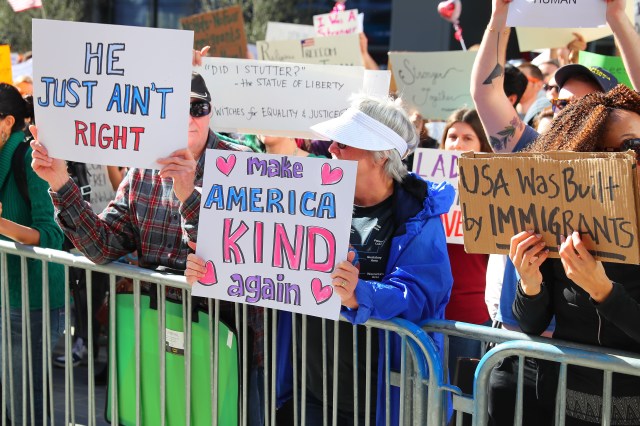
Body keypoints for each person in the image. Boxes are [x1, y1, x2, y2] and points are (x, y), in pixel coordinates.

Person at [186, 94, 455, 426]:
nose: (331, 150)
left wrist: (361, 294)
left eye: (344, 144)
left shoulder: (419, 217)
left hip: (382, 400)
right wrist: (215, 265)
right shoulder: (309, 198)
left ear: (381, 156)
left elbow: (421, 295)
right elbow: (263, 258)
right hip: (309, 391)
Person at [30, 71, 266, 424]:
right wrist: (60, 182)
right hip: (154, 339)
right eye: (177, 107)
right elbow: (102, 245)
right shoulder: (143, 168)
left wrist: (188, 193)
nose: (188, 116)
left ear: (211, 112)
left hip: (226, 344)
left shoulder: (245, 164)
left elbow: (246, 252)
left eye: (198, 107)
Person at [506, 84, 640, 425]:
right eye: (629, 146)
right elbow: (532, 324)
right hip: (567, 405)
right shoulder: (560, 224)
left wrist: (605, 293)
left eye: (637, 144)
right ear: (586, 150)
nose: (633, 156)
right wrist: (530, 283)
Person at [0, 83, 65, 425]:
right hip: (5, 296)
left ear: (6, 122)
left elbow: (52, 236)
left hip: (31, 302)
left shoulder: (31, 157)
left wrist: (1, 224)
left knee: (25, 406)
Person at [440, 109, 492, 371]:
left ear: (482, 145)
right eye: (452, 136)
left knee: (461, 401)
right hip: (429, 310)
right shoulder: (424, 188)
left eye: (467, 138)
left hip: (469, 314)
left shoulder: (493, 193)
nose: (457, 144)